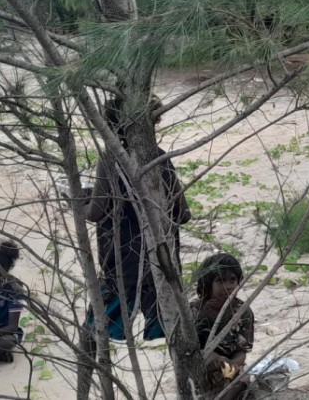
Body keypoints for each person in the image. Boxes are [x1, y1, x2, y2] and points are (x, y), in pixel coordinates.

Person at [85, 94, 191, 343]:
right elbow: (183, 214)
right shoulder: (160, 157)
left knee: (96, 332)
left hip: (122, 268)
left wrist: (79, 202)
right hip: (162, 264)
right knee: (170, 335)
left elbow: (95, 212)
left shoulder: (110, 160)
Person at [192, 253, 257, 400]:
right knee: (209, 356)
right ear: (208, 285)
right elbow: (190, 350)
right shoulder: (195, 311)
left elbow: (242, 352)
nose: (228, 286)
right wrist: (203, 316)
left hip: (229, 367)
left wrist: (231, 368)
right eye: (220, 281)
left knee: (241, 381)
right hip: (201, 368)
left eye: (232, 280)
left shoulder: (243, 312)